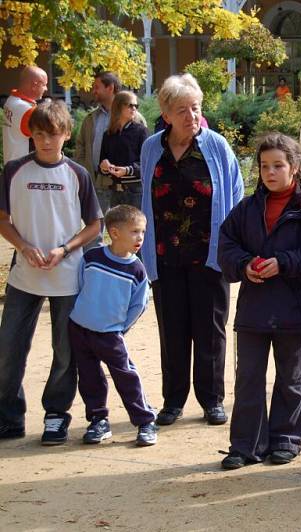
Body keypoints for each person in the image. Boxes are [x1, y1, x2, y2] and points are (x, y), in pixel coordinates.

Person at [218, 133, 301, 469]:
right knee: (248, 377)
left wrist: (283, 262)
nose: (270, 172)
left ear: (295, 167)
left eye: (278, 165)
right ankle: (246, 444)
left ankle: (285, 439)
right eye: (265, 166)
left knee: (290, 377)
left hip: (294, 306)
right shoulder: (247, 208)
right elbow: (226, 246)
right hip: (254, 308)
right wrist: (244, 265)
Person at [140, 73, 244, 428]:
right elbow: (145, 199)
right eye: (182, 110)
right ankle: (173, 401)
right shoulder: (152, 147)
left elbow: (235, 194)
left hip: (209, 255)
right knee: (172, 330)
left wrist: (230, 248)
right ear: (166, 114)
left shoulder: (216, 146)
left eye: (196, 108)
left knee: (211, 330)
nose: (191, 117)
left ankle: (212, 399)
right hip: (164, 254)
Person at [0, 100, 103, 444]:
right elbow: (3, 219)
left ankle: (56, 415)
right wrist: (23, 247)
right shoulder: (14, 170)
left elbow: (95, 224)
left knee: (65, 351)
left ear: (66, 135)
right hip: (24, 276)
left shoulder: (77, 174)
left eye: (53, 134)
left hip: (66, 275)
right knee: (9, 348)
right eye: (40, 134)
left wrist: (65, 249)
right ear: (31, 135)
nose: (46, 141)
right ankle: (9, 416)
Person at [68, 205, 157, 447]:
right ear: (115, 233)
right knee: (88, 377)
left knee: (126, 377)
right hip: (80, 329)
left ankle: (145, 421)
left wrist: (119, 328)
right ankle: (98, 420)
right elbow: (79, 285)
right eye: (135, 232)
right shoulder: (92, 257)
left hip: (110, 335)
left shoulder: (136, 269)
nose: (140, 238)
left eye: (142, 232)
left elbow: (139, 305)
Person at [75, 71, 121, 217]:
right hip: (95, 182)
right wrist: (84, 168)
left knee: (122, 230)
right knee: (93, 230)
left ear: (110, 88)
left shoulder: (131, 117)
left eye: (97, 86)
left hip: (121, 186)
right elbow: (80, 145)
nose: (93, 90)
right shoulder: (90, 118)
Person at [98, 91, 148, 210]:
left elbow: (147, 164)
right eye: (130, 105)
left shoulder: (141, 131)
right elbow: (101, 164)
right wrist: (104, 167)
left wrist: (127, 170)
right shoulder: (109, 134)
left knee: (135, 228)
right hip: (115, 191)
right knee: (117, 228)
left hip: (135, 192)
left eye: (136, 106)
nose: (134, 108)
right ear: (118, 106)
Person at [2, 65, 48, 163]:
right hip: (23, 171)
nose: (46, 89)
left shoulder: (11, 100)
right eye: (44, 84)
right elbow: (49, 134)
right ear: (34, 85)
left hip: (12, 166)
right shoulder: (25, 110)